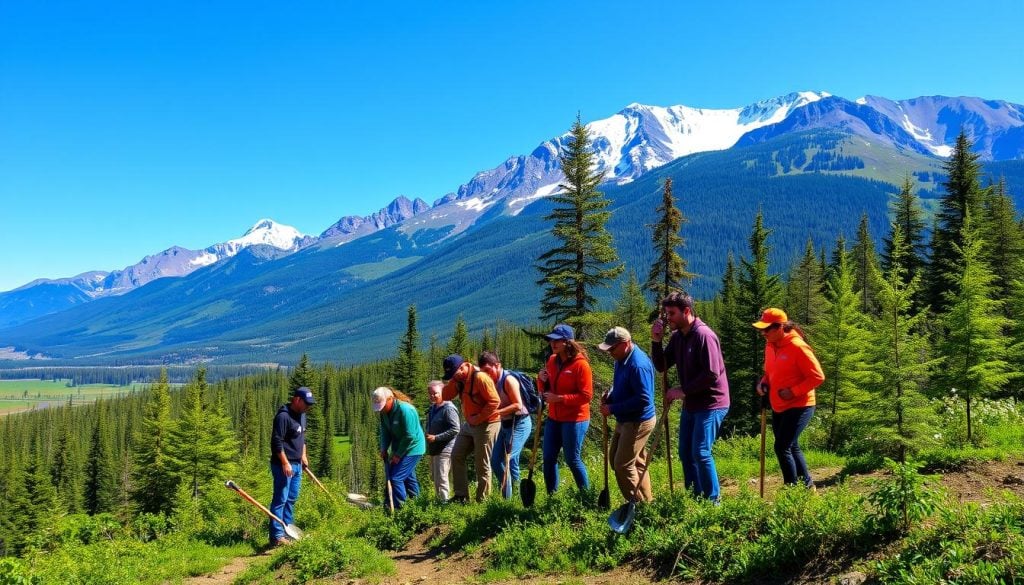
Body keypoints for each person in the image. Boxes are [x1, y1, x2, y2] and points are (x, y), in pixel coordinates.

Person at [651, 291, 730, 502]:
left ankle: (713, 501)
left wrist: (682, 390)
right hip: (692, 403)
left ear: (687, 311)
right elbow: (662, 366)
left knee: (701, 452)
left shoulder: (704, 335)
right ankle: (694, 498)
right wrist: (656, 342)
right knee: (686, 452)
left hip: (712, 403)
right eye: (666, 313)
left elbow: (712, 374)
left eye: (672, 313)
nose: (668, 318)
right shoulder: (678, 338)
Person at [753, 308, 825, 489]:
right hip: (779, 405)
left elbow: (818, 376)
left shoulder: (798, 347)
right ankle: (807, 488)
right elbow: (770, 372)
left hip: (800, 404)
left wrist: (793, 391)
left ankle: (791, 490)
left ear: (780, 327)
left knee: (782, 446)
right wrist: (763, 383)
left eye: (766, 329)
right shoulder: (770, 345)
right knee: (791, 445)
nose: (763, 333)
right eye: (761, 329)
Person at [598, 326, 657, 503]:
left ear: (626, 343)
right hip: (625, 419)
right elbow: (620, 385)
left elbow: (643, 399)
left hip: (638, 420)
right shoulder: (621, 359)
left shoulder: (638, 365)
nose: (610, 352)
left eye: (612, 348)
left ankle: (637, 505)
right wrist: (611, 397)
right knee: (629, 460)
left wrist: (613, 408)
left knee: (622, 465)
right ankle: (647, 501)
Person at [537, 323, 593, 494]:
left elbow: (586, 396)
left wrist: (560, 399)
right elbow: (545, 389)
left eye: (557, 341)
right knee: (548, 458)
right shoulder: (552, 360)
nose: (552, 344)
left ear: (568, 342)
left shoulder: (581, 365)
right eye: (551, 340)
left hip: (575, 418)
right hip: (554, 417)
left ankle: (586, 495)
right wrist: (540, 379)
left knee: (572, 459)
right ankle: (552, 495)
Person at [441, 354, 501, 503]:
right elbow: (445, 395)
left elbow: (495, 402)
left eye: (454, 373)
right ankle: (461, 495)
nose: (452, 377)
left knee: (482, 463)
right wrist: (453, 380)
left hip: (487, 423)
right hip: (469, 424)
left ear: (463, 367)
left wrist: (479, 417)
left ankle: (483, 499)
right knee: (457, 455)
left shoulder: (481, 378)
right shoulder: (459, 379)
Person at [479, 351, 533, 499]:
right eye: (483, 373)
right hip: (505, 424)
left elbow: (517, 404)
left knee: (504, 461)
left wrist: (496, 413)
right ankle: (517, 496)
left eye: (489, 371)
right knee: (499, 460)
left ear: (497, 365)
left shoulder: (508, 380)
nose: (487, 375)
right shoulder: (490, 382)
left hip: (520, 423)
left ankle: (506, 498)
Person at [268, 386, 314, 546]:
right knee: (281, 498)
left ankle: (288, 531)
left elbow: (302, 437)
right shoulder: (283, 417)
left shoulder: (302, 415)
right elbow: (276, 442)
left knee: (291, 499)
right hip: (283, 466)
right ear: (297, 399)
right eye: (306, 403)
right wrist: (285, 462)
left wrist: (303, 455)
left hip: (297, 464)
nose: (308, 407)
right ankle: (277, 536)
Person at [372, 386, 426, 511]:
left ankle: (401, 509)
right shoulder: (384, 413)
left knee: (396, 478)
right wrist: (384, 447)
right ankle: (417, 505)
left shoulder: (406, 410)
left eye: (383, 405)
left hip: (413, 448)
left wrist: (398, 455)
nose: (381, 409)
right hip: (399, 448)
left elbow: (410, 436)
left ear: (390, 399)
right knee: (407, 477)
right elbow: (385, 430)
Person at [424, 380, 460, 502]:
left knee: (442, 478)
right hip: (434, 449)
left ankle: (444, 503)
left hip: (445, 448)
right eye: (430, 394)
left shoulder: (449, 408)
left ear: (443, 392)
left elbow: (455, 429)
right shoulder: (433, 408)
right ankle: (439, 501)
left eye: (435, 393)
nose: (432, 396)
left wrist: (436, 437)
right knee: (436, 478)